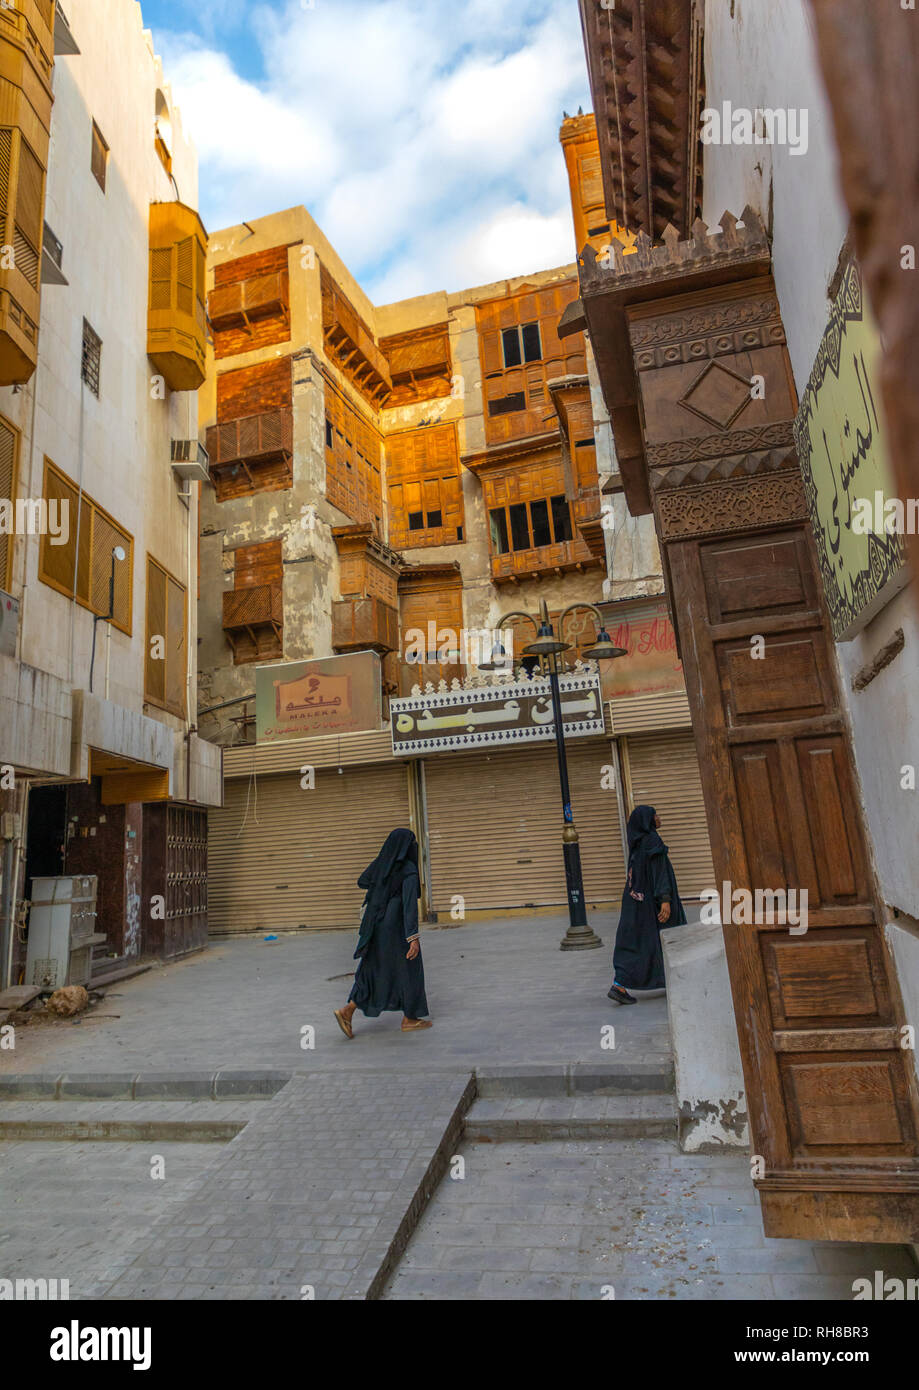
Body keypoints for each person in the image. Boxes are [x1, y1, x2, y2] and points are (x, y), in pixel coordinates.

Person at [334, 827, 432, 1037]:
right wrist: (413, 937)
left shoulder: (382, 863)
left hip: (375, 925)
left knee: (372, 968)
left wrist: (382, 886)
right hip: (396, 928)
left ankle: (347, 1011)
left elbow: (362, 880)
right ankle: (410, 1018)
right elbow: (409, 906)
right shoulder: (408, 870)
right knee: (410, 969)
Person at [609, 804, 686, 1005]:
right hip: (654, 904)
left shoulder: (637, 843)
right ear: (647, 821)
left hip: (636, 903)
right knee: (671, 938)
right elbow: (659, 873)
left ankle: (620, 983)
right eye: (655, 815)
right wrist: (666, 901)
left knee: (635, 942)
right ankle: (680, 979)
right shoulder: (652, 841)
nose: (659, 818)